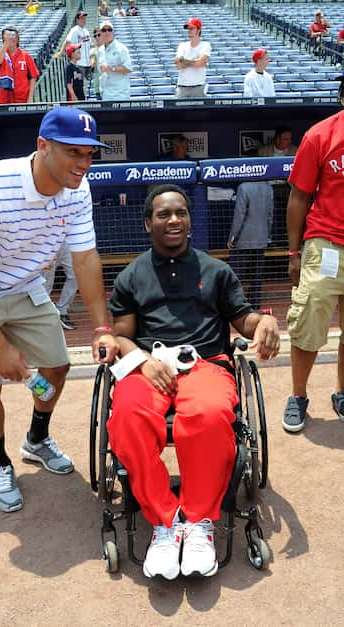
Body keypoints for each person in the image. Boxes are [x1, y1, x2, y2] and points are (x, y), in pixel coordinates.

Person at [0, 107, 119, 513]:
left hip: (23, 284)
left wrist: (102, 328)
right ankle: (0, 463)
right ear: (43, 146)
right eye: (73, 153)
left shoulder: (77, 189)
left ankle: (36, 439)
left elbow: (84, 259)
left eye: (89, 154)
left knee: (57, 365)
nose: (83, 164)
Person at [106, 184, 280, 580]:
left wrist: (265, 320)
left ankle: (199, 521)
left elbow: (244, 320)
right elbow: (121, 334)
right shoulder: (131, 276)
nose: (174, 220)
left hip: (204, 364)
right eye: (164, 214)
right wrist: (142, 362)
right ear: (147, 222)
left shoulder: (216, 271)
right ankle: (166, 523)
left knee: (209, 412)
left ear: (189, 220)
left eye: (181, 213)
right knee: (128, 415)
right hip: (150, 366)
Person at [282, 100, 344, 433]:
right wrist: (294, 253)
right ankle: (298, 396)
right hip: (327, 243)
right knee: (308, 325)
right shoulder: (321, 135)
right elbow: (299, 196)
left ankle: (342, 393)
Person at [227, 181, 274, 311]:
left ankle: (234, 303)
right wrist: (268, 235)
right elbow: (270, 214)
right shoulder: (268, 187)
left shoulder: (243, 187)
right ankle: (254, 303)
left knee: (236, 274)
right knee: (256, 275)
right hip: (261, 238)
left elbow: (239, 215)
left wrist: (232, 237)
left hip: (243, 239)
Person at [0, 26, 39, 105]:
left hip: (22, 98)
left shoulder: (26, 56)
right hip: (5, 98)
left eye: (13, 35)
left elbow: (33, 77)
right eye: (7, 36)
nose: (11, 38)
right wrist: (6, 43)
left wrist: (30, 98)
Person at [42, 240, 78, 330]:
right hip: (48, 241)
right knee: (46, 283)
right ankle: (43, 315)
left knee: (76, 275)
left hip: (67, 240)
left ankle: (62, 311)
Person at [175, 17, 211, 99]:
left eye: (192, 28)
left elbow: (199, 63)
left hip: (198, 87)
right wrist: (194, 61)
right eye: (188, 28)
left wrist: (184, 60)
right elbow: (178, 65)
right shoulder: (182, 45)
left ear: (198, 30)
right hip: (182, 86)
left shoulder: (205, 45)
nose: (189, 30)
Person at [98, 21, 132, 101]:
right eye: (104, 30)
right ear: (100, 33)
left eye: (109, 30)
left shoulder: (121, 48)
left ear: (113, 32)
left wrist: (111, 69)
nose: (107, 32)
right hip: (105, 94)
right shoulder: (100, 50)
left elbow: (128, 69)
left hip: (120, 95)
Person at [56, 12, 91, 81]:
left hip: (88, 63)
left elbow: (90, 44)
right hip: (79, 63)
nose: (84, 20)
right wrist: (61, 52)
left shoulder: (86, 31)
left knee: (87, 86)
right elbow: (67, 41)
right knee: (78, 84)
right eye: (81, 19)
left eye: (84, 18)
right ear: (77, 20)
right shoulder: (74, 30)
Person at [90, 28, 104, 100]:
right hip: (98, 87)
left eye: (99, 35)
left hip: (109, 87)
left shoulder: (109, 48)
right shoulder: (93, 51)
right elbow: (92, 65)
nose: (97, 37)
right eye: (95, 36)